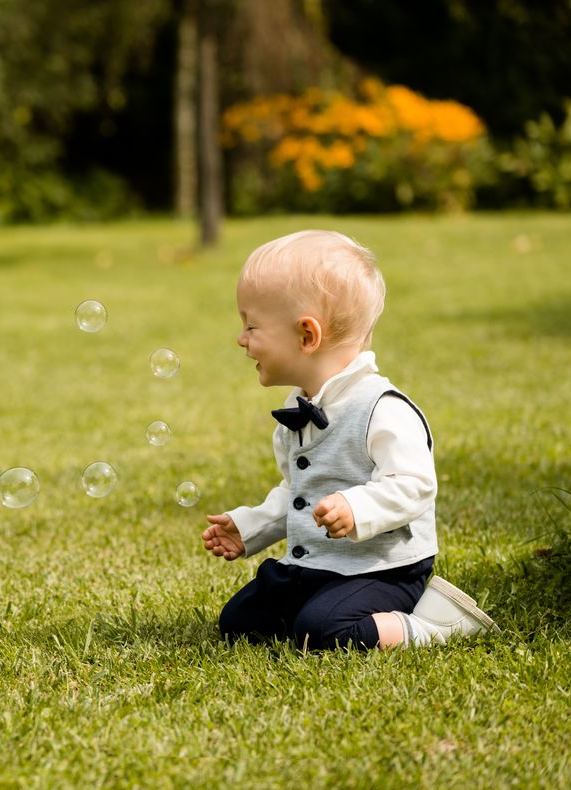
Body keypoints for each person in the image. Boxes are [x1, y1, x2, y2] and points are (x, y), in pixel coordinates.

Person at [201, 230, 496, 650]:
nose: (241, 338)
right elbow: (300, 493)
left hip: (380, 569)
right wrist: (250, 528)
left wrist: (357, 507)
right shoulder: (298, 410)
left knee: (322, 631)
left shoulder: (382, 409)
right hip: (320, 563)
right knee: (241, 622)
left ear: (307, 336)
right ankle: (317, 604)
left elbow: (415, 485)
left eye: (251, 325)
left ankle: (436, 626)